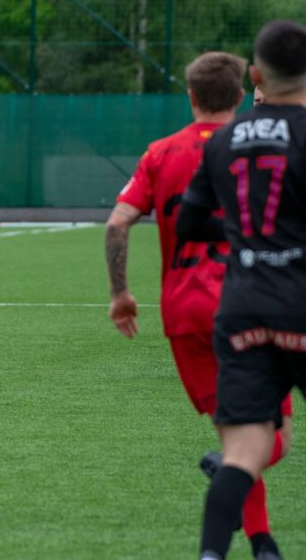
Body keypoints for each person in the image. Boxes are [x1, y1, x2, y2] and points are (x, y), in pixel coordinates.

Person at [105, 51, 290, 560]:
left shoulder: (161, 152)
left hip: (184, 311)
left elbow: (117, 223)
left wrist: (120, 293)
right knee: (269, 439)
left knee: (239, 435)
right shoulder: (256, 149)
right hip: (249, 305)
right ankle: (241, 503)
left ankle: (262, 542)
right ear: (240, 95)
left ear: (190, 96)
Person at [178, 20, 306, 560]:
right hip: (299, 303)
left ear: (255, 75)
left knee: (242, 455)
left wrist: (243, 236)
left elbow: (189, 223)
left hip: (243, 305)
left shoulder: (226, 139)